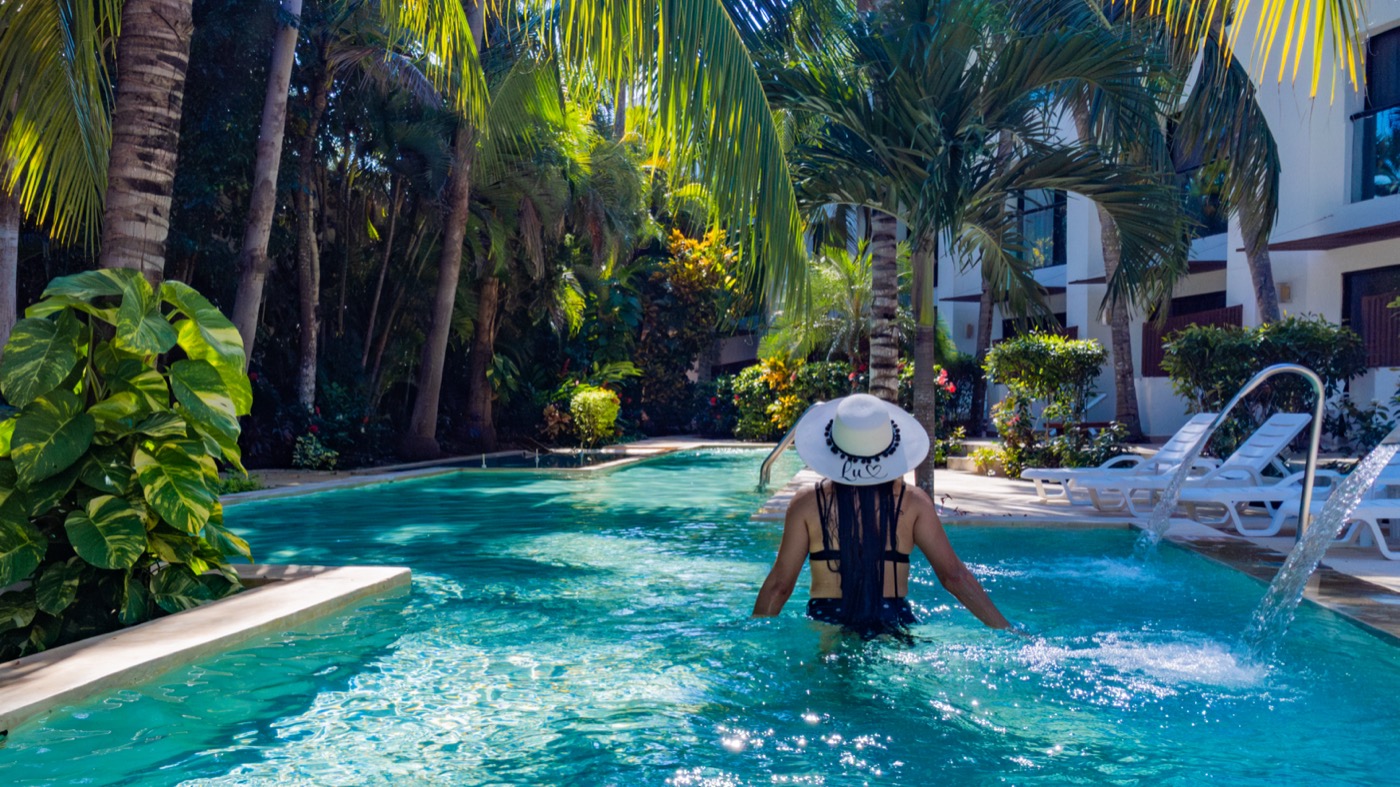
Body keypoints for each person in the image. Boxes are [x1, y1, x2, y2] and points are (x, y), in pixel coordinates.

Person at [752, 393, 1011, 637]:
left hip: (826, 621)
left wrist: (753, 641)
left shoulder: (807, 504)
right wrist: (1006, 630)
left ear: (832, 446)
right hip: (892, 621)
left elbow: (780, 585)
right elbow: (953, 576)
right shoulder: (913, 503)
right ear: (890, 446)